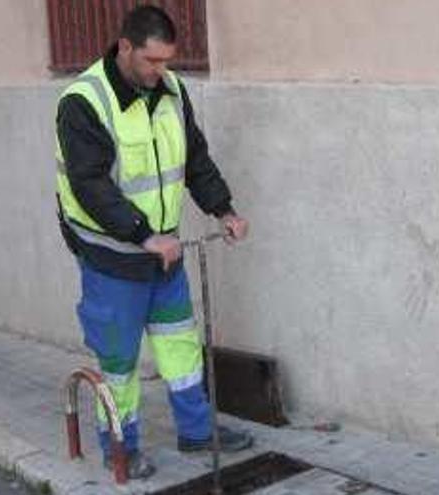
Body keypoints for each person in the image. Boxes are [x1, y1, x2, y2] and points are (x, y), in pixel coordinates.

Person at [55, 5, 253, 480]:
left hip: (162, 258)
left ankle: (196, 432)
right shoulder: (84, 101)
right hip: (112, 259)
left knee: (181, 349)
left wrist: (223, 209)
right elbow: (90, 185)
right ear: (125, 47)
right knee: (119, 363)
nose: (160, 71)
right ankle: (121, 448)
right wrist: (144, 235)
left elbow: (195, 160)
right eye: (151, 61)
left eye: (167, 62)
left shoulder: (171, 90)